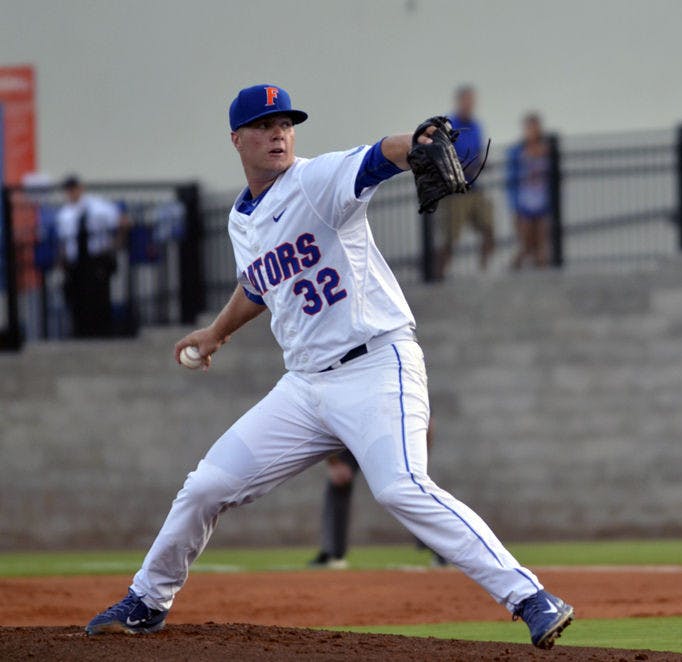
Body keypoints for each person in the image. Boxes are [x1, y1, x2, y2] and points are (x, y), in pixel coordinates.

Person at [84, 84, 573, 650]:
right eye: (265, 125)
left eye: (286, 123)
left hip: (376, 364)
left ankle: (531, 597)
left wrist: (415, 141)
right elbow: (260, 284)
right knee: (205, 487)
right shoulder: (241, 220)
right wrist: (216, 332)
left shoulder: (314, 181)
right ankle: (147, 600)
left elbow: (374, 159)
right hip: (306, 386)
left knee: (398, 487)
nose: (278, 133)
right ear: (236, 139)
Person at [310, 417, 447, 569]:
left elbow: (427, 420)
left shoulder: (404, 397)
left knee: (410, 489)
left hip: (388, 434)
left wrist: (419, 463)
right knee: (337, 485)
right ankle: (332, 552)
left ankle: (441, 549)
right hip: (351, 434)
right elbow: (325, 418)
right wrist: (334, 463)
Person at [434, 85, 494, 278]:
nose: (470, 105)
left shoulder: (476, 125)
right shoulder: (448, 125)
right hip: (454, 192)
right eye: (467, 100)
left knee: (489, 228)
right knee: (451, 238)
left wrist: (482, 163)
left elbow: (479, 153)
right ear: (459, 102)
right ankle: (437, 274)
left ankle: (483, 268)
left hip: (474, 188)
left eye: (472, 101)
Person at [55, 176, 126, 337]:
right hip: (75, 262)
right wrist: (62, 260)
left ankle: (102, 331)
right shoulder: (65, 213)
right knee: (77, 298)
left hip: (96, 258)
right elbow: (63, 241)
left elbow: (121, 222)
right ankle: (81, 331)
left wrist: (114, 247)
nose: (70, 193)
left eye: (73, 189)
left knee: (99, 296)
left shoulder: (98, 207)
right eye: (68, 190)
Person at [506, 113, 551, 270]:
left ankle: (544, 275)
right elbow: (511, 180)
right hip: (524, 203)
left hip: (542, 203)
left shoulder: (548, 150)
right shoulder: (516, 152)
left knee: (541, 246)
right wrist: (514, 206)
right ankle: (513, 267)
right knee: (526, 245)